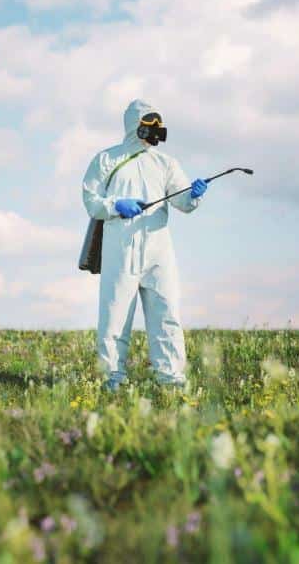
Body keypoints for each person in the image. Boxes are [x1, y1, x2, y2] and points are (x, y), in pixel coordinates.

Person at [81, 99, 208, 391]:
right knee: (115, 316)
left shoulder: (166, 163)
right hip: (120, 248)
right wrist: (115, 205)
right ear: (134, 125)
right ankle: (111, 377)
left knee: (167, 314)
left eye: (158, 127)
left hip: (158, 249)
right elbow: (91, 201)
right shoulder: (107, 159)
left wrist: (194, 195)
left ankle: (172, 379)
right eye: (148, 125)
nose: (154, 133)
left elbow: (182, 202)